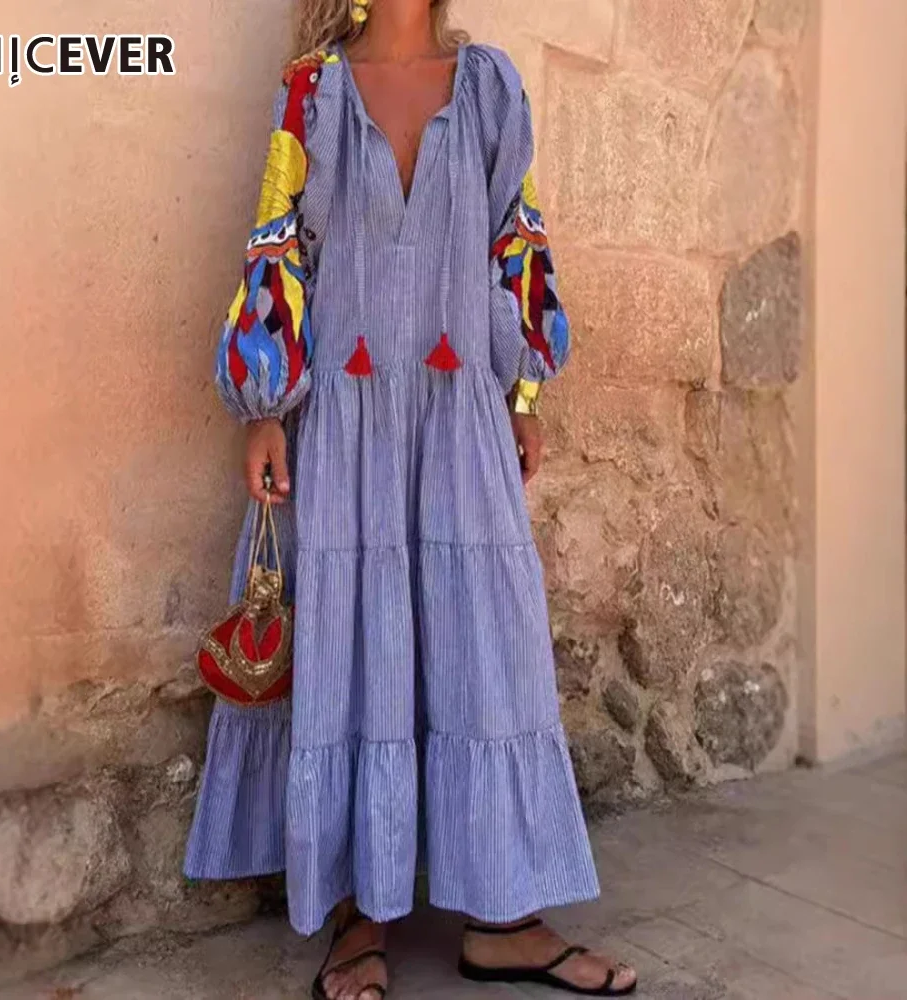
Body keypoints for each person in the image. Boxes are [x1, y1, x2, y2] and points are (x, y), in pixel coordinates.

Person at [186, 1, 638, 996]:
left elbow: (518, 241)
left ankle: (504, 919)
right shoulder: (309, 94)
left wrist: (523, 392)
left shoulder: (489, 89)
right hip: (342, 430)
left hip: (459, 416)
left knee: (487, 647)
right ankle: (362, 915)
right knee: (357, 650)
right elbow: (276, 250)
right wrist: (265, 409)